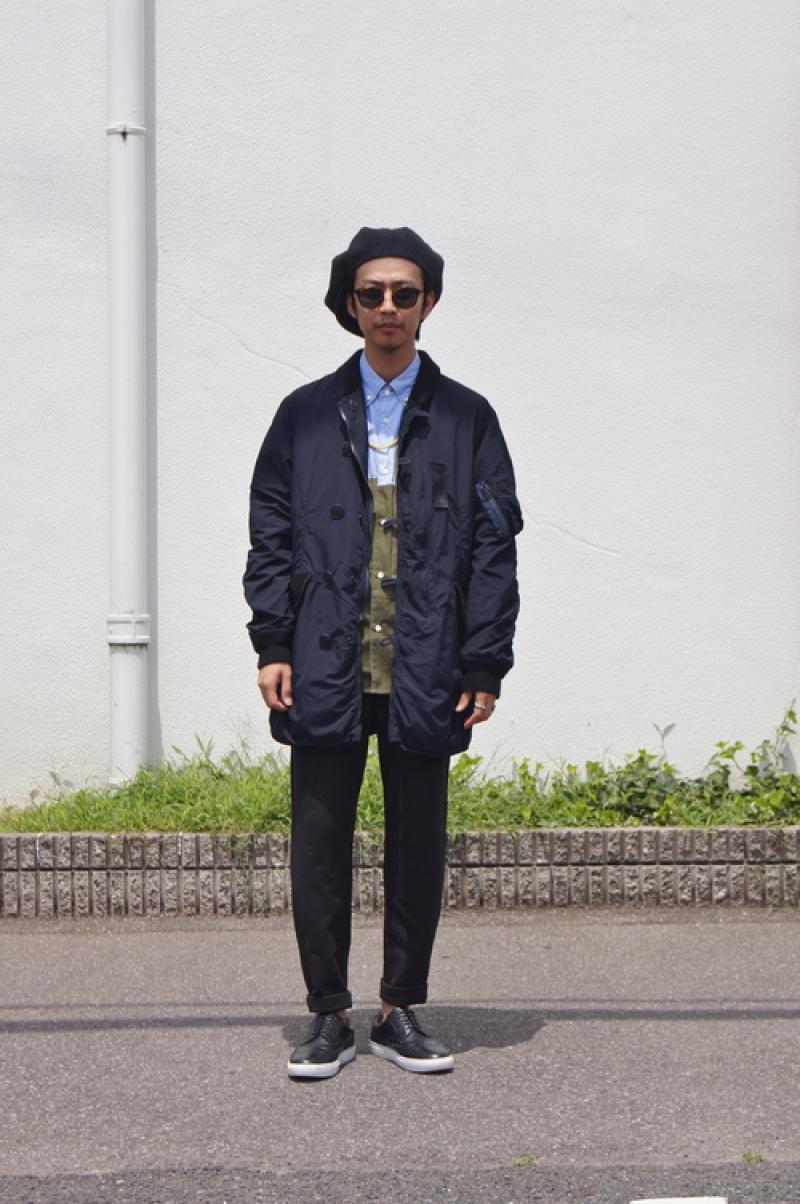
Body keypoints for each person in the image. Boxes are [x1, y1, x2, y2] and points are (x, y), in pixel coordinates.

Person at [243, 226, 522, 1079]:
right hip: (324, 658)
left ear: (428, 302)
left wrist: (483, 661)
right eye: (373, 294)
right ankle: (328, 1013)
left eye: (405, 292)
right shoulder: (303, 414)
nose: (389, 307)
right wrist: (273, 641)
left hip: (427, 663)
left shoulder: (468, 416)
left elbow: (494, 546)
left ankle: (401, 1007)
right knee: (319, 845)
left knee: (417, 843)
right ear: (350, 305)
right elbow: (270, 534)